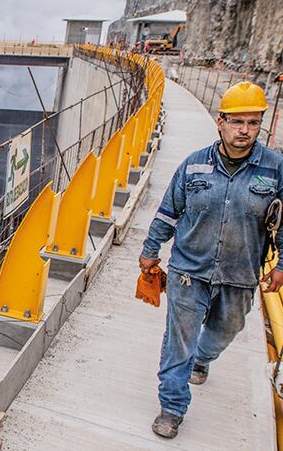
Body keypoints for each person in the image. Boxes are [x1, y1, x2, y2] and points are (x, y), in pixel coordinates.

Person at [139, 80, 283, 439]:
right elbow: (168, 212)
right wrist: (150, 250)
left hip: (240, 274)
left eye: (252, 123)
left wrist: (281, 266)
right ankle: (172, 407)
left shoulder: (275, 169)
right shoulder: (193, 166)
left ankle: (203, 358)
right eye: (237, 122)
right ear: (220, 122)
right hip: (189, 270)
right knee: (179, 341)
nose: (244, 131)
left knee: (225, 330)